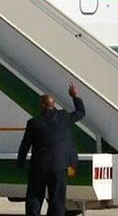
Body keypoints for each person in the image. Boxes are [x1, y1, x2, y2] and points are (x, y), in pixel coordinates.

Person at [17, 82, 86, 216]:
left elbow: (25, 145)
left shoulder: (34, 123)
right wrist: (75, 96)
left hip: (39, 167)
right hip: (60, 167)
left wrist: (20, 163)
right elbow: (81, 112)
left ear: (43, 105)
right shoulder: (64, 117)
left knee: (34, 197)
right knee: (57, 200)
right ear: (53, 105)